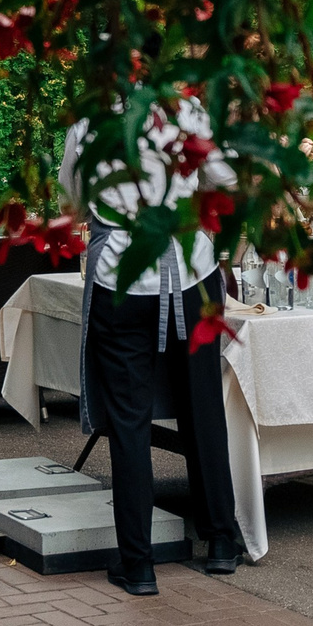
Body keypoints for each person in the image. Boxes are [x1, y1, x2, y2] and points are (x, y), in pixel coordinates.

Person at [60, 109, 246, 593]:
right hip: (191, 274)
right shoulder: (188, 112)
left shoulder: (88, 123)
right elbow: (225, 180)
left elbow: (74, 201)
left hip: (121, 280)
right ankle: (221, 541)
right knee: (202, 408)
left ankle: (139, 564)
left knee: (129, 423)